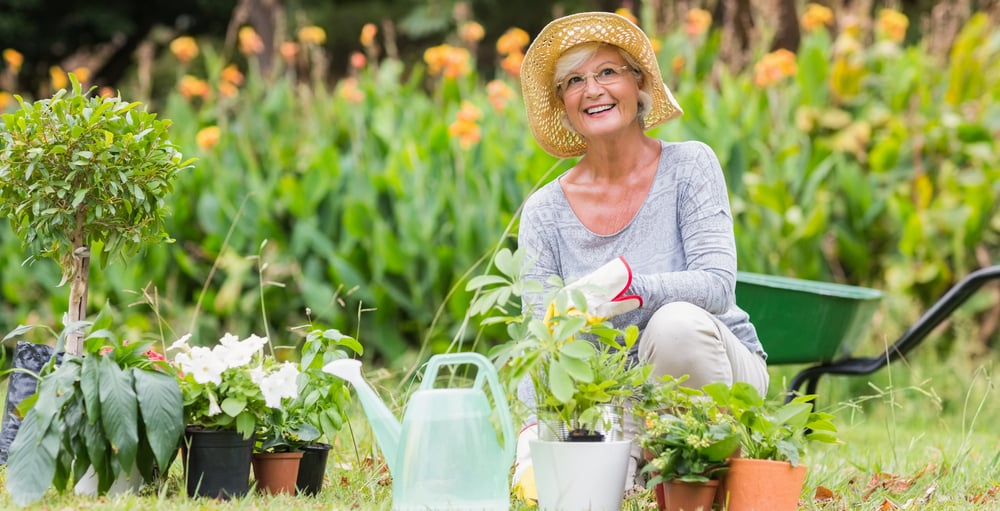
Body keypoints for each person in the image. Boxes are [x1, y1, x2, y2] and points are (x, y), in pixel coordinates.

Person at [511, 11, 769, 499]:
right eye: (574, 81)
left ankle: (690, 465)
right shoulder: (543, 212)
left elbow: (716, 285)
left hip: (715, 368)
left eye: (608, 72)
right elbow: (539, 338)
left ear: (638, 84)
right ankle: (637, 459)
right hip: (605, 402)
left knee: (674, 324)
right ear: (563, 105)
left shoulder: (690, 166)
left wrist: (623, 290)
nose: (593, 90)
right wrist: (531, 432)